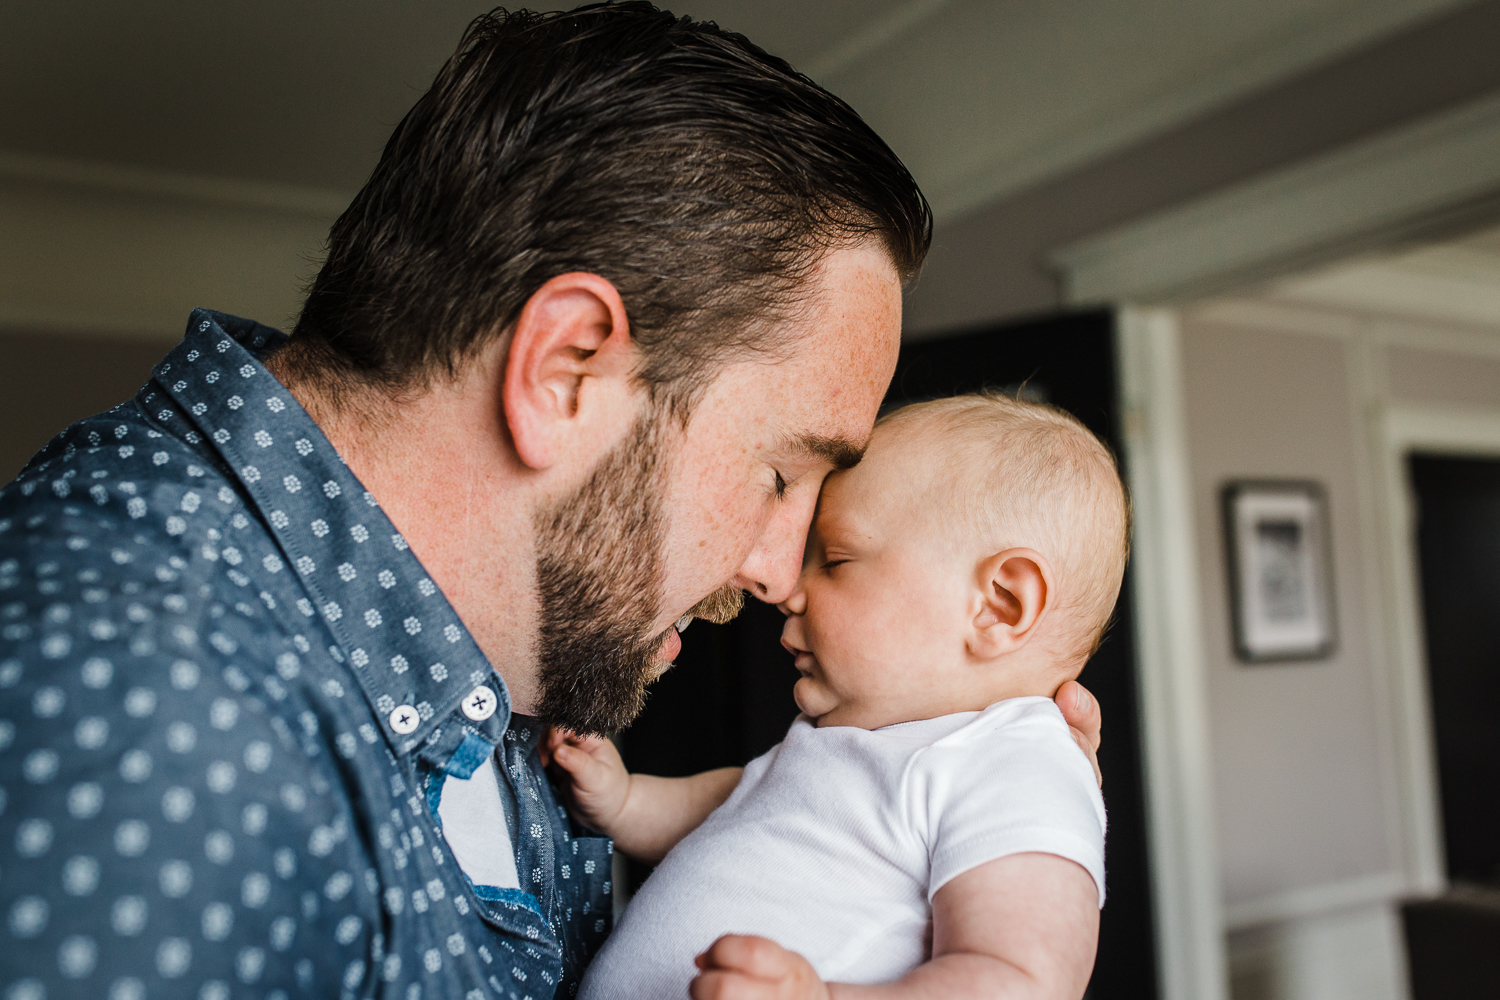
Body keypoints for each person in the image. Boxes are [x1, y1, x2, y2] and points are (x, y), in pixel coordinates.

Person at [0, 5, 1103, 999]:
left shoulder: (510, 651)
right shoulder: (133, 704)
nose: (778, 571)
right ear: (567, 369)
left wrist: (929, 868)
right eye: (780, 475)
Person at [551, 393, 1127, 1000]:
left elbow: (1021, 983)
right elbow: (744, 807)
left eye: (839, 558)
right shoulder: (856, 742)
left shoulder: (1017, 764)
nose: (789, 588)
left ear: (999, 604)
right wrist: (628, 803)